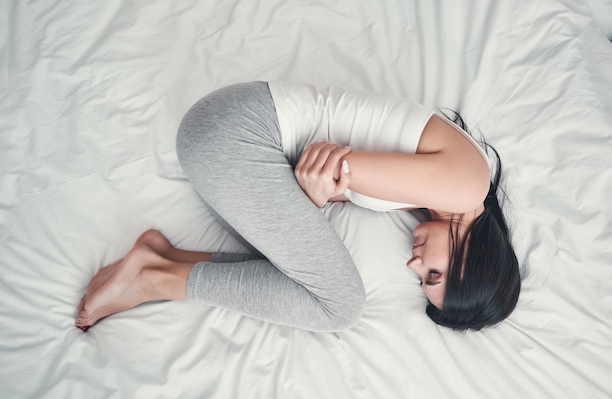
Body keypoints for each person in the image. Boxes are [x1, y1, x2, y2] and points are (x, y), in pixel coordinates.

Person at [75, 81, 520, 332]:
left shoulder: (428, 201)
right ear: (474, 259)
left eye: (421, 279)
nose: (413, 263)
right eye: (433, 274)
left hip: (236, 145)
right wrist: (320, 191)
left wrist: (320, 192)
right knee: (340, 305)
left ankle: (162, 258)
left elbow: (325, 181)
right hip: (236, 136)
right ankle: (156, 280)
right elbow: (327, 167)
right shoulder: (465, 187)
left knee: (301, 277)